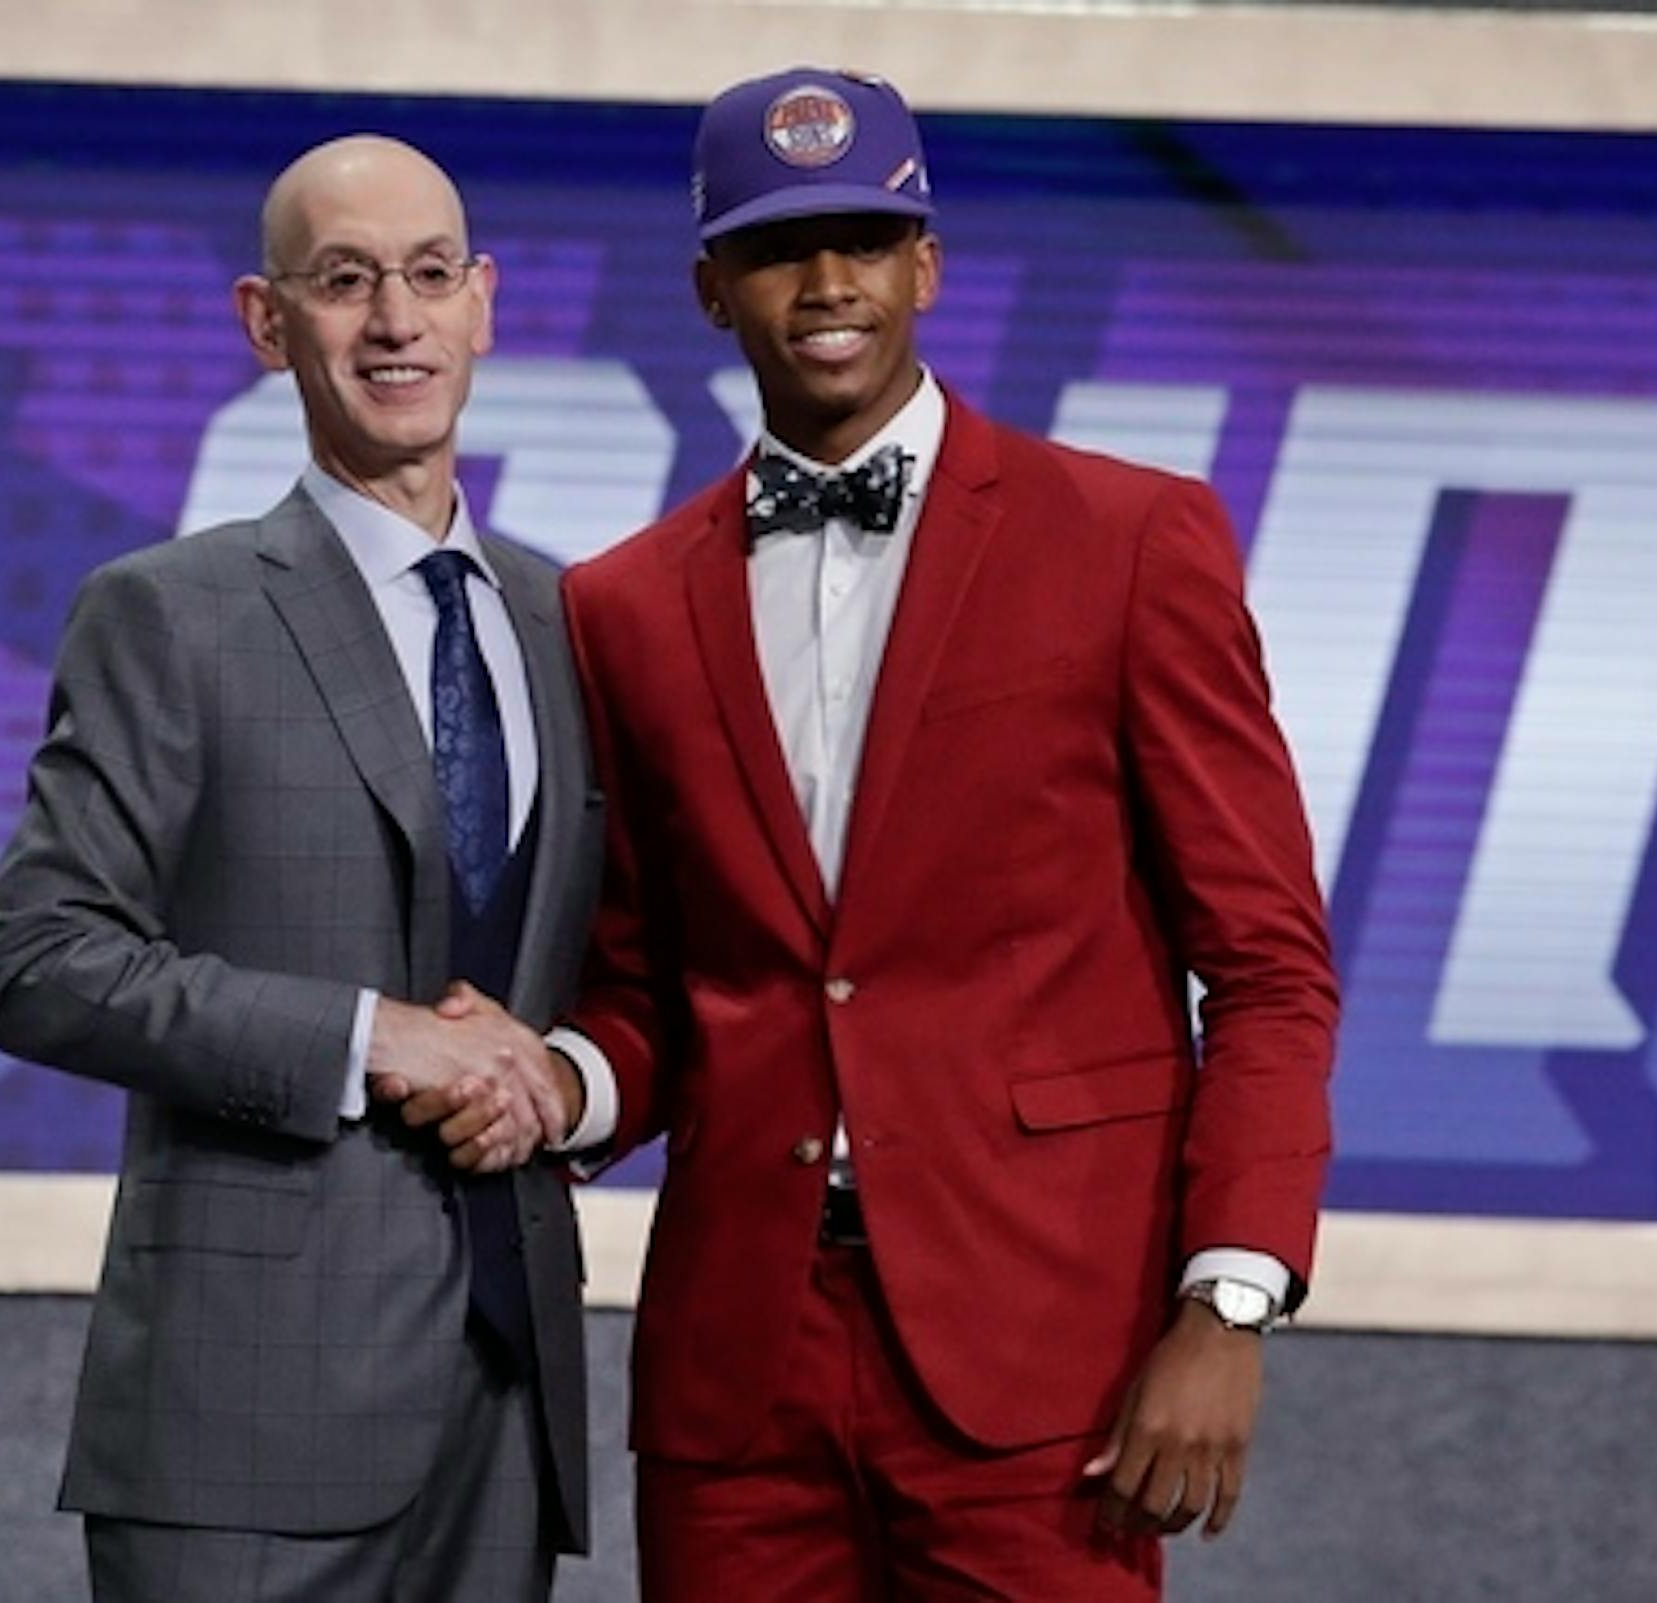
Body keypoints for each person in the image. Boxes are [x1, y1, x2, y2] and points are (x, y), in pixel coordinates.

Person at [421, 66, 1338, 1600]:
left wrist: (1226, 1303)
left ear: (928, 264)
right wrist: (554, 1084)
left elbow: (1265, 967)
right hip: (741, 1380)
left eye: (866, 236)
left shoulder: (1129, 542)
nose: (829, 282)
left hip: (1043, 1368)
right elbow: (652, 987)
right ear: (714, 289)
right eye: (782, 247)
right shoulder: (622, 607)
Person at [0, 135, 601, 1603]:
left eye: (431, 275)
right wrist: (368, 1037)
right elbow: (36, 960)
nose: (397, 320)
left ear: (484, 304)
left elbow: (622, 965)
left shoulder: (575, 622)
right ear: (270, 323)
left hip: (507, 1407)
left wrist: (563, 1079)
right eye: (346, 281)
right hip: (239, 1425)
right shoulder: (169, 615)